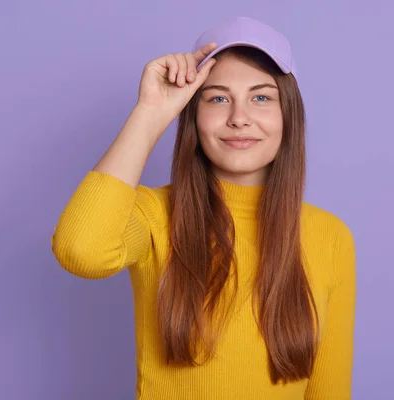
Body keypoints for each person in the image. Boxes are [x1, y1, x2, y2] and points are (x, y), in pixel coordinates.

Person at [51, 16, 356, 399]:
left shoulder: (330, 236)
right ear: (193, 116)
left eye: (261, 97)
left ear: (287, 115)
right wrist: (149, 112)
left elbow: (329, 391)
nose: (239, 118)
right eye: (218, 98)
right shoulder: (153, 215)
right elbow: (80, 251)